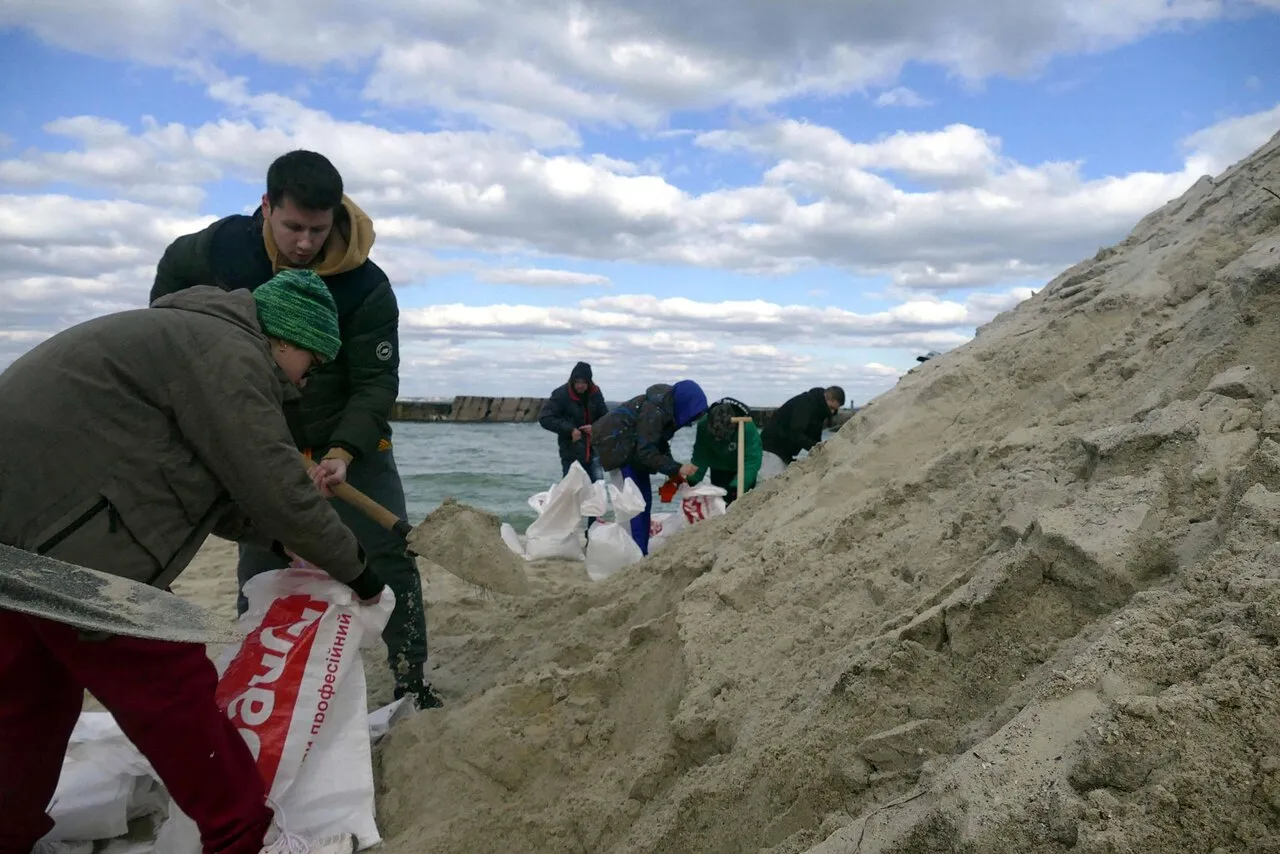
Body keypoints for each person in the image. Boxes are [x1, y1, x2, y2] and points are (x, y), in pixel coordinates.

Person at [0, 271, 375, 854]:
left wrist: (279, 544)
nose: (308, 379)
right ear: (287, 339)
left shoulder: (188, 338)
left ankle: (8, 832)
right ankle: (246, 838)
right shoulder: (230, 353)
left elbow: (201, 485)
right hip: (62, 545)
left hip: (17, 532)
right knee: (168, 685)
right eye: (314, 360)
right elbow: (278, 485)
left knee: (31, 694)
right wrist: (359, 571)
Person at [149, 150, 439, 710]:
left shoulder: (365, 284)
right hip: (263, 436)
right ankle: (254, 684)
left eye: (318, 229)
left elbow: (376, 382)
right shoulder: (224, 246)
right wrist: (173, 327)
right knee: (263, 560)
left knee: (388, 554)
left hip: (352, 442)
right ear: (266, 207)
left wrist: (343, 451)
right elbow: (171, 271)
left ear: (336, 217)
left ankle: (411, 679)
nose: (305, 243)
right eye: (292, 227)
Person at [594, 380, 708, 555]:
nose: (690, 422)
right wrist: (677, 468)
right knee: (635, 504)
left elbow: (659, 444)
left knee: (642, 502)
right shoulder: (653, 412)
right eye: (692, 415)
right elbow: (646, 452)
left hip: (632, 451)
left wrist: (675, 474)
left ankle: (640, 551)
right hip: (618, 448)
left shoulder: (667, 410)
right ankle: (634, 554)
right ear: (684, 404)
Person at [539, 361, 609, 529]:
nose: (580, 386)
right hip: (571, 454)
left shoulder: (596, 393)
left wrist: (596, 428)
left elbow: (606, 417)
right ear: (572, 381)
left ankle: (592, 534)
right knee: (570, 495)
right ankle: (566, 531)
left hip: (593, 451)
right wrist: (569, 429)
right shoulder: (561, 394)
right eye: (577, 382)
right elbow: (545, 418)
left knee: (596, 494)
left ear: (589, 382)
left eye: (584, 383)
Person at [687, 397, 762, 505]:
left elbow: (752, 461)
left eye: (721, 436)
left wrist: (737, 486)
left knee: (741, 503)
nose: (717, 439)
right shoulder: (703, 426)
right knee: (720, 505)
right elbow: (700, 456)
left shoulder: (746, 427)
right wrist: (692, 480)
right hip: (718, 467)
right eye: (714, 435)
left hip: (742, 469)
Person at [759, 386, 846, 478]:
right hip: (772, 448)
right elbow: (796, 433)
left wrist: (822, 451)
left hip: (785, 452)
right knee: (772, 486)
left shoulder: (818, 409)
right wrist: (817, 449)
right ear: (827, 398)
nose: (832, 412)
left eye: (835, 410)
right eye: (831, 408)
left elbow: (814, 437)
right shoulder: (805, 404)